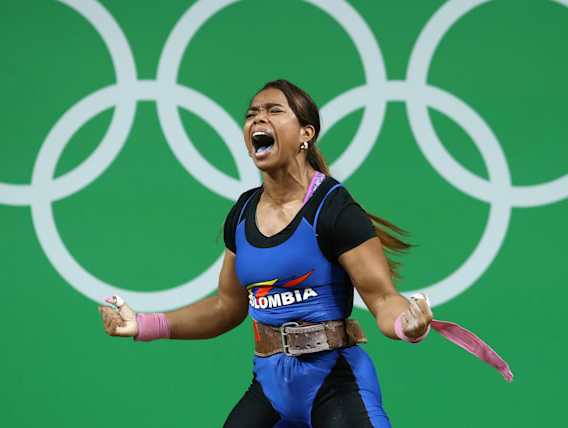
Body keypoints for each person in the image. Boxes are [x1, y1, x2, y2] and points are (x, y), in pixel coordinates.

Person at [98, 80, 507, 428]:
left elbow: (382, 297)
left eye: (273, 111)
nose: (258, 119)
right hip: (270, 388)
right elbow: (226, 307)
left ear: (305, 133)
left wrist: (407, 325)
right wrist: (144, 324)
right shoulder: (242, 212)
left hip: (336, 386)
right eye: (252, 113)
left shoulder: (334, 210)